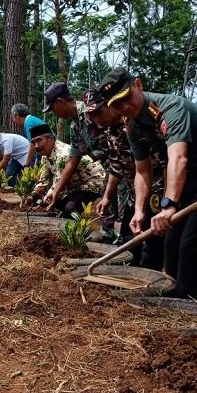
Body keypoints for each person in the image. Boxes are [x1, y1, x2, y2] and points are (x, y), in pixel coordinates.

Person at [99, 67, 197, 301]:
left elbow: (179, 157)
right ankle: (177, 300)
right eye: (117, 104)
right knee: (171, 243)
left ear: (138, 85)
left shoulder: (170, 108)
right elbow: (142, 170)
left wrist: (169, 206)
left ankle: (192, 307)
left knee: (191, 246)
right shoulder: (133, 126)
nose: (125, 107)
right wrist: (139, 210)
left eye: (126, 98)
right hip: (184, 177)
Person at [84, 87, 165, 269]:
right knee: (128, 240)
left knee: (152, 245)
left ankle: (151, 285)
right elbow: (116, 167)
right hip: (133, 193)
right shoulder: (111, 131)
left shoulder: (134, 124)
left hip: (155, 191)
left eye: (99, 112)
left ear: (111, 105)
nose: (97, 119)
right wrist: (106, 197)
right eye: (92, 115)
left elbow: (158, 162)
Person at [27, 123, 105, 217]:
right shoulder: (45, 156)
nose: (36, 146)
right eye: (33, 142)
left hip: (91, 184)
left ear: (51, 139)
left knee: (69, 209)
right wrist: (31, 197)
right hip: (74, 188)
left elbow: (58, 184)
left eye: (39, 141)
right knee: (50, 202)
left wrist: (43, 201)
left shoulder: (63, 154)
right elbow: (44, 180)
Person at [0, 122, 31, 187]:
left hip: (27, 154)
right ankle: (12, 190)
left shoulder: (6, 140)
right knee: (9, 174)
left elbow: (6, 159)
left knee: (29, 177)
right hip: (16, 157)